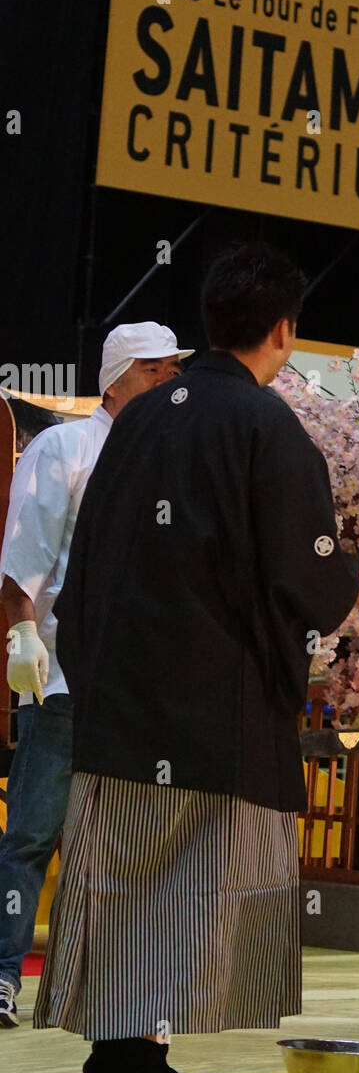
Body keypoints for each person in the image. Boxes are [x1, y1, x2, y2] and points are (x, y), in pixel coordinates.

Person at [33, 242, 359, 1073]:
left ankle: (113, 1050)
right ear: (284, 331)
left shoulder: (144, 416)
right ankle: (145, 1065)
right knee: (189, 878)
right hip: (208, 703)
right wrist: (358, 584)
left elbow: (91, 556)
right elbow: (305, 573)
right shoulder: (266, 427)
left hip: (118, 691)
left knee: (121, 867)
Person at [0, 323, 190, 1029]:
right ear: (118, 378)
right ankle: (1, 975)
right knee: (32, 836)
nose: (171, 380)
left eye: (173, 370)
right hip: (67, 675)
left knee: (125, 844)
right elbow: (24, 554)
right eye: (157, 370)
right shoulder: (65, 447)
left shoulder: (170, 453)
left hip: (144, 685)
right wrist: (21, 632)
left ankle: (105, 990)